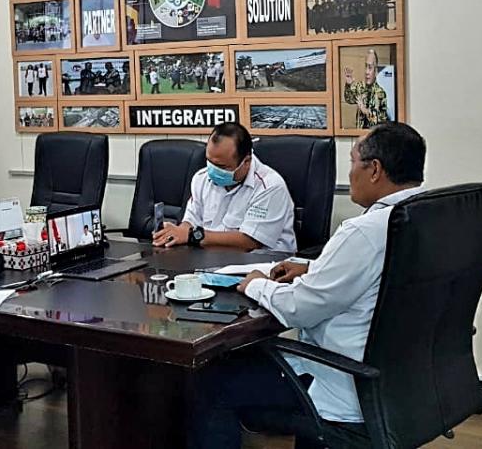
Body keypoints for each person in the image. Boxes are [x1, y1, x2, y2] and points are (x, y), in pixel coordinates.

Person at [188, 123, 427, 449]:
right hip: (400, 382)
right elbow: (373, 275)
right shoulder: (425, 215)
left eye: (353, 161)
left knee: (208, 381)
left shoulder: (363, 232)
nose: (350, 171)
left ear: (374, 170)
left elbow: (298, 308)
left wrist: (257, 285)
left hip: (342, 382)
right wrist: (313, 268)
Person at [153, 122, 295, 253]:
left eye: (221, 167)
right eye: (209, 162)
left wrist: (193, 236)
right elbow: (190, 222)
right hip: (210, 263)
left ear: (246, 161)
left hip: (259, 268)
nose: (213, 171)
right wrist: (175, 233)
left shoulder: (270, 186)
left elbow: (250, 242)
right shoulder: (201, 178)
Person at [343, 49, 389, 129]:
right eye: (366, 67)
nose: (366, 72)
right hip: (360, 135)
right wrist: (348, 85)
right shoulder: (360, 86)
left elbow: (382, 122)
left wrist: (365, 111)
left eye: (370, 68)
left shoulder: (381, 93)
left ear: (376, 71)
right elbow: (349, 99)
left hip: (374, 136)